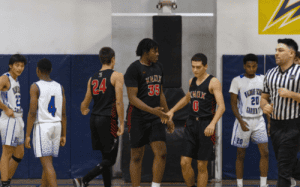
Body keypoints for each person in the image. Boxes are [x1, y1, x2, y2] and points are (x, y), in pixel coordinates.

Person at [165, 53, 225, 187]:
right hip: (191, 123)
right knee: (184, 162)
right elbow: (187, 98)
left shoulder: (213, 82)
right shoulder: (192, 81)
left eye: (198, 67)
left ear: (205, 67)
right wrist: (172, 111)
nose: (195, 70)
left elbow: (221, 106)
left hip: (206, 124)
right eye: (193, 67)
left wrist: (212, 124)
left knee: (201, 165)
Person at [124, 38, 175, 187]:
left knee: (162, 153)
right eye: (155, 51)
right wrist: (153, 110)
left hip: (155, 117)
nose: (158, 54)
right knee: (136, 157)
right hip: (137, 117)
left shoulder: (158, 67)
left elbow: (160, 94)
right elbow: (132, 99)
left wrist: (168, 115)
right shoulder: (133, 69)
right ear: (146, 52)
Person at [73, 47, 124, 187]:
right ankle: (84, 180)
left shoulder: (92, 78)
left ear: (101, 59)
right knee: (111, 160)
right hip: (108, 119)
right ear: (113, 59)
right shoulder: (117, 76)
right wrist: (122, 123)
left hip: (94, 119)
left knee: (105, 157)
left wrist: (84, 109)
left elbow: (85, 103)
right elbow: (119, 101)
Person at [261, 38, 300, 187]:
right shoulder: (270, 73)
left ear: (291, 53)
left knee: (283, 168)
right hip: (276, 124)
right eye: (276, 50)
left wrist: (292, 94)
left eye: (280, 50)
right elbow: (263, 97)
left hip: (294, 124)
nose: (276, 53)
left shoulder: (299, 72)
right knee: (287, 164)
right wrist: (264, 106)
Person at [25, 58, 67, 187]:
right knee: (47, 162)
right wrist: (64, 134)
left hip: (43, 126)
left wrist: (27, 134)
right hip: (56, 126)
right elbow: (64, 114)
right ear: (51, 70)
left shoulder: (35, 86)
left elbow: (32, 112)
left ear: (37, 70)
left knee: (47, 164)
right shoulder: (60, 87)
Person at [229, 54, 269, 187]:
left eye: (254, 66)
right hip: (243, 119)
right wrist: (240, 121)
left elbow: (267, 101)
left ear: (257, 66)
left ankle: (263, 184)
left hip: (259, 120)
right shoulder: (237, 80)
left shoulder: (263, 79)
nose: (251, 69)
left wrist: (269, 122)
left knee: (265, 152)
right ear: (244, 66)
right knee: (240, 154)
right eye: (248, 66)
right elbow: (233, 104)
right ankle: (239, 184)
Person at [0, 54, 27, 187]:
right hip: (9, 120)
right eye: (17, 65)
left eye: (22, 66)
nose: (20, 68)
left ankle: (6, 180)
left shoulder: (16, 80)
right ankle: (5, 183)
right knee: (7, 153)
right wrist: (5, 108)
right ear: (11, 65)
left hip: (17, 120)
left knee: (19, 153)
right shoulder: (5, 78)